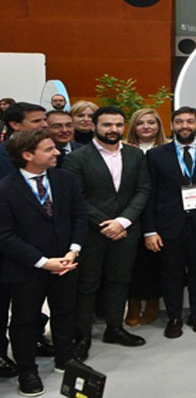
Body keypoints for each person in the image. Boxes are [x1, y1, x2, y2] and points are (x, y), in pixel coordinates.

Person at [0, 130, 87, 396]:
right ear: (28, 155)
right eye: (49, 149)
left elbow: (79, 216)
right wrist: (43, 262)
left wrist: (73, 251)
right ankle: (27, 371)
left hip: (66, 263)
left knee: (64, 313)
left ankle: (65, 359)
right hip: (25, 269)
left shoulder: (66, 180)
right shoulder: (5, 189)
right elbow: (5, 236)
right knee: (24, 321)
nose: (57, 153)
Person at [64, 106, 150, 354]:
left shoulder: (136, 155)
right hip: (92, 233)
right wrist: (106, 223)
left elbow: (143, 190)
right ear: (94, 125)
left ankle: (115, 328)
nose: (113, 129)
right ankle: (82, 336)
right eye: (107, 125)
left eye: (118, 125)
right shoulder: (76, 158)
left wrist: (123, 222)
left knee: (119, 280)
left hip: (126, 230)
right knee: (88, 284)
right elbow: (77, 197)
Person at [143, 107, 196, 339]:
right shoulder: (156, 155)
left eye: (190, 121)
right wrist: (150, 230)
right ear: (171, 125)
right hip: (168, 225)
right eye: (179, 122)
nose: (184, 126)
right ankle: (174, 318)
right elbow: (149, 195)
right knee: (172, 273)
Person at [122, 108, 167, 328]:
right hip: (130, 213)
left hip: (160, 213)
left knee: (154, 261)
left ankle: (152, 302)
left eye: (151, 122)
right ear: (133, 127)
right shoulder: (123, 149)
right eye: (141, 123)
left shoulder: (168, 149)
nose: (146, 127)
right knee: (131, 262)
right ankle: (132, 303)